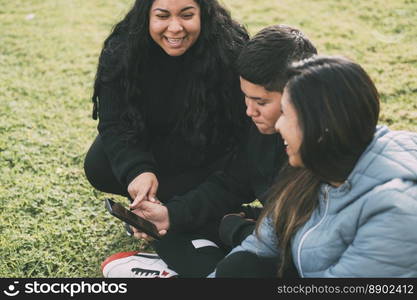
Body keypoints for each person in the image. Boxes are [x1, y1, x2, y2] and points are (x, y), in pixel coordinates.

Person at [101, 24, 317, 278]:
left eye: (261, 102)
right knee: (171, 227)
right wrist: (170, 215)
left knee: (247, 269)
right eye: (245, 98)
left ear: (300, 94)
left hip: (299, 248)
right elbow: (233, 182)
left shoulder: (325, 149)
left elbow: (309, 247)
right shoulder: (261, 129)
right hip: (272, 225)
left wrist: (236, 229)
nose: (249, 111)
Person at [209, 55, 417, 277]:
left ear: (320, 128)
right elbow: (260, 246)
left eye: (286, 115)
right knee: (240, 267)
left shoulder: (394, 211)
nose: (278, 125)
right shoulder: (315, 166)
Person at [84, 1, 250, 232]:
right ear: (146, 16)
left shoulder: (230, 49)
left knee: (223, 178)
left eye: (187, 15)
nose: (175, 28)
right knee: (99, 165)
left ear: (204, 13)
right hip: (160, 145)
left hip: (209, 154)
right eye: (162, 16)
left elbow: (244, 134)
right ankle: (159, 208)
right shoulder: (122, 48)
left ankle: (187, 211)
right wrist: (138, 171)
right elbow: (114, 122)